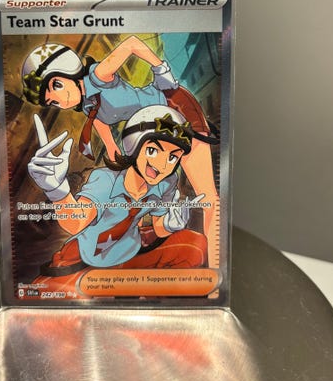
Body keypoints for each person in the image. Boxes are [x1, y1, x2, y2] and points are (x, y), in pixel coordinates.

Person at [21, 35, 219, 260]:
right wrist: (110, 151)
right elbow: (103, 128)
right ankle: (136, 242)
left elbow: (132, 43)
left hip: (173, 107)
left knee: (208, 196)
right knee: (135, 191)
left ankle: (215, 264)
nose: (62, 100)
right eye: (53, 102)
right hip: (146, 133)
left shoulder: (98, 77)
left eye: (57, 86)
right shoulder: (88, 106)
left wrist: (160, 70)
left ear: (71, 71)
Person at [28, 106, 208, 272]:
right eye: (152, 151)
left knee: (196, 246)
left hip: (132, 250)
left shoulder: (167, 182)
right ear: (133, 146)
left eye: (172, 158)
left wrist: (169, 225)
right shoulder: (105, 180)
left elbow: (159, 227)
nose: (162, 166)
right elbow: (77, 222)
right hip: (90, 257)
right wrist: (57, 191)